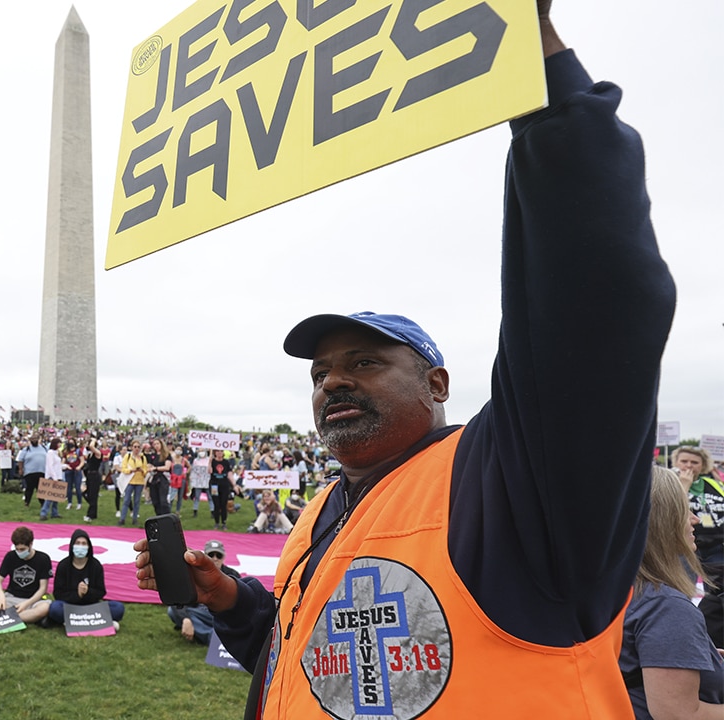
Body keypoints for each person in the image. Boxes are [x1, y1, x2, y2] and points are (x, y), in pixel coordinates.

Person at [134, 8, 678, 716]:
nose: (333, 380)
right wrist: (232, 601)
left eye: (363, 362)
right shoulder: (326, 506)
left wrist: (540, 71)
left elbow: (593, 298)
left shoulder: (512, 488)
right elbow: (317, 669)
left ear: (438, 382)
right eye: (320, 372)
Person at [619, 465, 723, 719]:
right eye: (685, 509)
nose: (695, 519)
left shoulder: (621, 589)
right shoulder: (666, 606)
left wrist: (702, 652)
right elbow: (678, 714)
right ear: (664, 521)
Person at [674, 445, 723, 645]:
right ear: (675, 462)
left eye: (695, 462)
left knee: (717, 591)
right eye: (684, 461)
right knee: (687, 588)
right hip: (688, 545)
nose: (689, 466)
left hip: (717, 545)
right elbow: (674, 511)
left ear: (703, 465)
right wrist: (684, 485)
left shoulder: (715, 484)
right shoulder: (671, 482)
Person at [47, 528, 125, 628]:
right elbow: (58, 594)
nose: (81, 546)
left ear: (89, 546)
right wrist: (77, 595)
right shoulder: (63, 565)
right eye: (78, 543)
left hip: (91, 606)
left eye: (84, 543)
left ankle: (72, 620)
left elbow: (101, 592)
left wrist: (87, 592)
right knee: (55, 608)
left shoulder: (95, 565)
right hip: (70, 605)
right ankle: (100, 620)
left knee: (118, 608)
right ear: (72, 545)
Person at [168, 540, 240, 645]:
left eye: (218, 555)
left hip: (224, 613)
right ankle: (211, 636)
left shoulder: (233, 575)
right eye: (211, 555)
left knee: (181, 614)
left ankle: (203, 632)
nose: (215, 559)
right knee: (174, 611)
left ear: (223, 557)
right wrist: (186, 619)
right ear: (205, 557)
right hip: (201, 612)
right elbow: (179, 599)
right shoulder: (194, 574)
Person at [0, 525, 52, 625]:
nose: (19, 552)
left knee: (45, 608)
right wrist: (1, 596)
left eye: (23, 549)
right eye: (17, 549)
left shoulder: (43, 559)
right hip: (12, 598)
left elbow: (42, 589)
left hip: (34, 600)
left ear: (31, 544)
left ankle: (8, 617)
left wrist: (26, 604)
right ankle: (28, 618)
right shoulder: (10, 556)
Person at [118, 440, 148, 526]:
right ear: (131, 447)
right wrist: (131, 470)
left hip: (139, 481)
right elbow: (123, 468)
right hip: (130, 481)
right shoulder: (127, 456)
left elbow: (146, 470)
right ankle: (122, 518)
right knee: (126, 500)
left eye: (138, 447)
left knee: (137, 501)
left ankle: (135, 518)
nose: (137, 449)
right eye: (135, 447)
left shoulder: (143, 458)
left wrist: (142, 470)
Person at [18, 435, 48, 508]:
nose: (34, 440)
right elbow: (20, 460)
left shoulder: (44, 448)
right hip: (30, 472)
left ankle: (43, 503)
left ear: (38, 439)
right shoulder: (26, 449)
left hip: (42, 471)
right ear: (30, 440)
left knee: (41, 489)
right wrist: (21, 469)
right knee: (29, 488)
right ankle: (27, 502)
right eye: (33, 439)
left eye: (35, 439)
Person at [208, 449, 234, 531]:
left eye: (221, 451)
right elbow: (209, 471)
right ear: (215, 453)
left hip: (224, 485)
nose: (219, 453)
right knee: (216, 504)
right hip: (214, 485)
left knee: (223, 504)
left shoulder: (226, 462)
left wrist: (234, 484)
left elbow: (229, 474)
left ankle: (224, 522)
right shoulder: (212, 462)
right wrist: (209, 461)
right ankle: (216, 522)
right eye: (218, 451)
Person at [146, 438, 173, 516]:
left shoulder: (166, 455)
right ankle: (159, 517)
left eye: (157, 444)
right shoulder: (153, 455)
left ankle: (167, 517)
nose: (156, 446)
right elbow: (149, 465)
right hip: (154, 478)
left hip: (163, 478)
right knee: (155, 501)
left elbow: (167, 467)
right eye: (154, 444)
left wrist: (156, 468)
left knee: (163, 501)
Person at [40, 438, 63, 520]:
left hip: (58, 475)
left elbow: (58, 465)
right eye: (58, 443)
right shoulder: (50, 453)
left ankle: (54, 512)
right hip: (52, 477)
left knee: (56, 497)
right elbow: (50, 466)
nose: (60, 445)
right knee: (50, 497)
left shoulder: (57, 453)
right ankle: (43, 513)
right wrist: (54, 477)